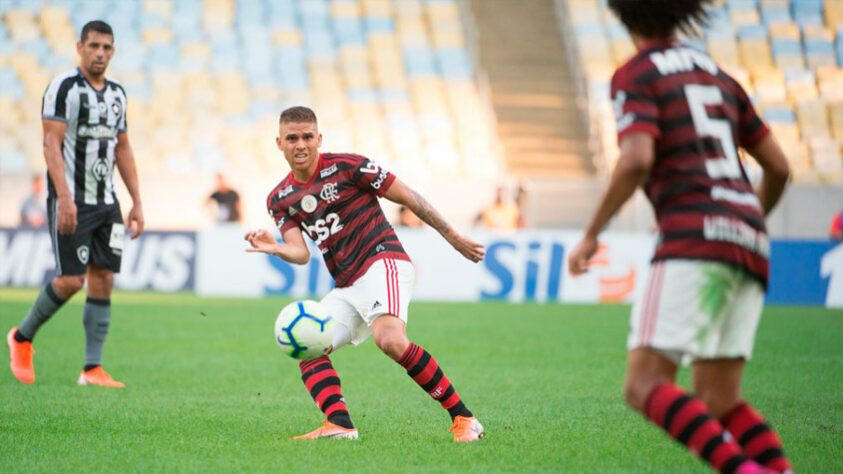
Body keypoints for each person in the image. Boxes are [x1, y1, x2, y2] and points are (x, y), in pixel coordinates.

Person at [568, 2, 792, 473]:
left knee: (644, 384)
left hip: (692, 236)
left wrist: (591, 234)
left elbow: (635, 159)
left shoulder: (637, 74)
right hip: (748, 238)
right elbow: (779, 166)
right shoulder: (718, 75)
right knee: (720, 398)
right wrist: (745, 221)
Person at [244, 106, 486, 442]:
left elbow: (410, 197)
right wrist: (276, 248)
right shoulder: (280, 198)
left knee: (389, 340)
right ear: (279, 143)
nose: (300, 144)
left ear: (319, 138)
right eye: (292, 138)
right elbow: (299, 253)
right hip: (346, 283)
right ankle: (340, 425)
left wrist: (454, 237)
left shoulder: (348, 166)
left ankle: (464, 419)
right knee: (307, 342)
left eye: (307, 137)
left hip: (382, 261)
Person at [7, 20, 144, 388]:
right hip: (72, 201)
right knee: (71, 280)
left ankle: (91, 368)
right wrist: (63, 197)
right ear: (80, 47)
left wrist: (136, 201)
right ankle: (21, 338)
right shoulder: (63, 87)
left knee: (104, 277)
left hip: (107, 202)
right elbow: (51, 144)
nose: (100, 53)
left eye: (107, 47)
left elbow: (124, 147)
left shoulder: (117, 93)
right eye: (94, 46)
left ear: (113, 51)